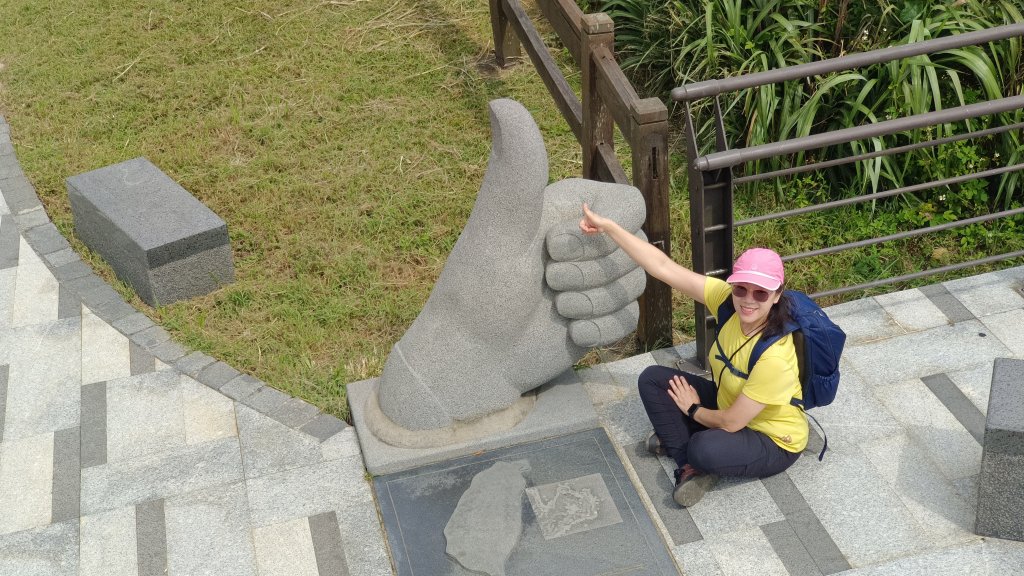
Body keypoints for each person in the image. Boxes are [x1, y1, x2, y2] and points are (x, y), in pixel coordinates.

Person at [579, 203, 807, 507]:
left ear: (777, 295)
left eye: (761, 293)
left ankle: (692, 458)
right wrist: (609, 227)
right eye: (741, 289)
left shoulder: (774, 358)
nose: (747, 301)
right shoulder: (726, 301)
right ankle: (693, 465)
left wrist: (693, 410)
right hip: (730, 401)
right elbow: (662, 267)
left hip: (772, 440)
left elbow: (730, 423)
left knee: (704, 448)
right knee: (653, 379)